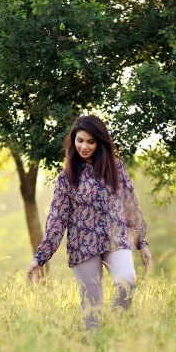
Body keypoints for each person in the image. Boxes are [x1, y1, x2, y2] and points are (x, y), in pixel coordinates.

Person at [26, 115, 152, 330]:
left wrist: (142, 243)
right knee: (92, 307)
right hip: (83, 246)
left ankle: (115, 328)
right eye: (80, 140)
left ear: (100, 142)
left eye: (91, 141)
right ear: (73, 140)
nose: (84, 146)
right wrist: (40, 257)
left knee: (128, 283)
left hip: (116, 240)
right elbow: (57, 219)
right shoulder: (66, 177)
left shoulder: (116, 168)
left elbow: (131, 205)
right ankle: (92, 351)